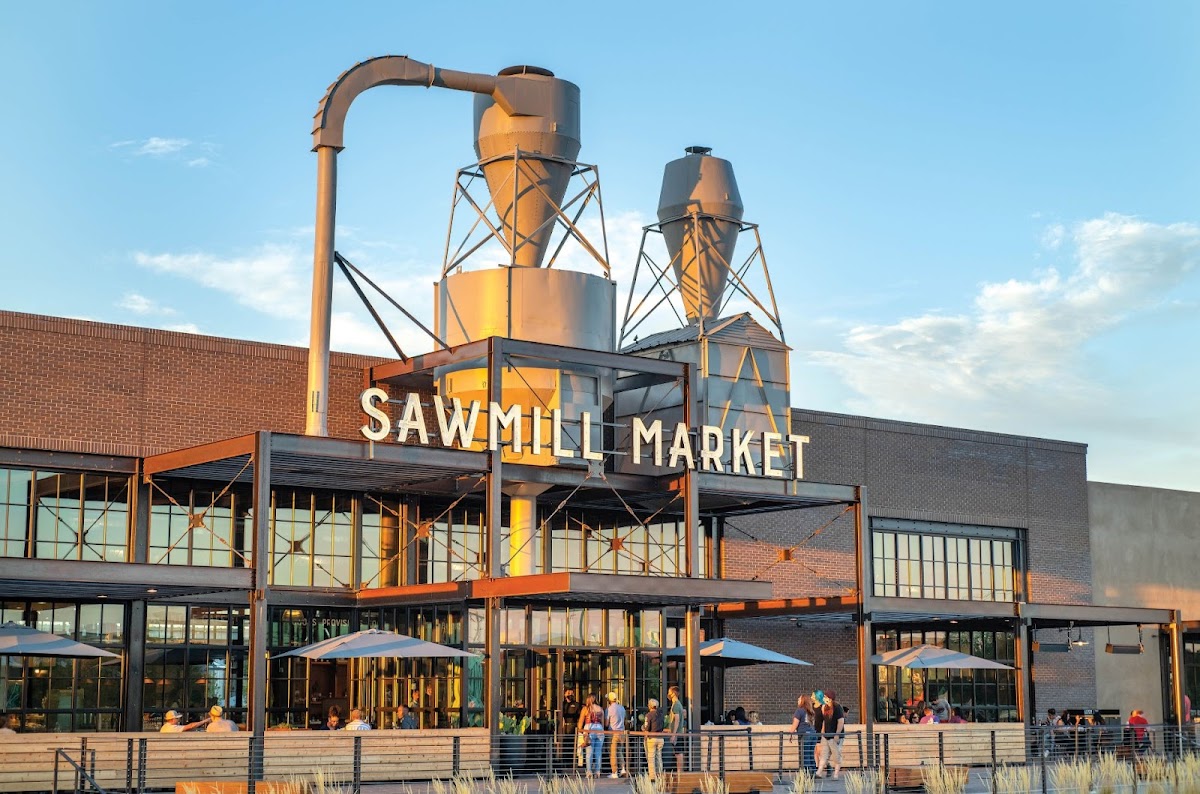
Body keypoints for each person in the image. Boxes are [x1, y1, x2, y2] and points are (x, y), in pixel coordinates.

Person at [814, 692, 845, 780]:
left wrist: (837, 734)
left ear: (830, 698)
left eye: (825, 697)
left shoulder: (837, 708)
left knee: (836, 754)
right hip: (826, 734)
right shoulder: (824, 707)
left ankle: (836, 774)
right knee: (824, 754)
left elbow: (841, 721)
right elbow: (825, 721)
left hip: (835, 735)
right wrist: (823, 731)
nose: (824, 698)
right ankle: (819, 772)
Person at [578, 693, 605, 777]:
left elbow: (581, 722)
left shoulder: (585, 709)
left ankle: (589, 772)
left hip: (589, 729)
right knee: (598, 752)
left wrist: (580, 731)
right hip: (600, 729)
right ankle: (597, 772)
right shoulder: (600, 709)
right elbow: (603, 723)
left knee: (589, 752)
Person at [790, 695, 818, 772]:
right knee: (810, 754)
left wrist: (791, 733)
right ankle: (813, 772)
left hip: (804, 735)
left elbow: (795, 723)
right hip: (813, 734)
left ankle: (806, 773)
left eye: (799, 699)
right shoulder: (811, 711)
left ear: (803, 701)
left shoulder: (799, 711)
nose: (798, 700)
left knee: (804, 755)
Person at [606, 691, 628, 778]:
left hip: (613, 733)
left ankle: (614, 772)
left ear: (609, 700)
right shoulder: (622, 708)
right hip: (622, 732)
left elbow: (607, 723)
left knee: (613, 753)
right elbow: (625, 720)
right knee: (619, 751)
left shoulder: (609, 709)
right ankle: (623, 769)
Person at [643, 698, 665, 780]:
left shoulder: (648, 715)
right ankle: (660, 774)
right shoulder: (661, 715)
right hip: (661, 738)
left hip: (652, 738)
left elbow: (647, 727)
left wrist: (643, 728)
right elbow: (663, 726)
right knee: (659, 756)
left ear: (649, 706)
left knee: (651, 758)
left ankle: (652, 776)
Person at [667, 685, 687, 772]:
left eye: (669, 692)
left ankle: (680, 772)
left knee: (679, 754)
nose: (668, 694)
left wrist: (673, 735)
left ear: (673, 693)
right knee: (678, 753)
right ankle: (680, 772)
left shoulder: (676, 705)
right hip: (678, 733)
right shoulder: (678, 704)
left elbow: (677, 720)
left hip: (677, 733)